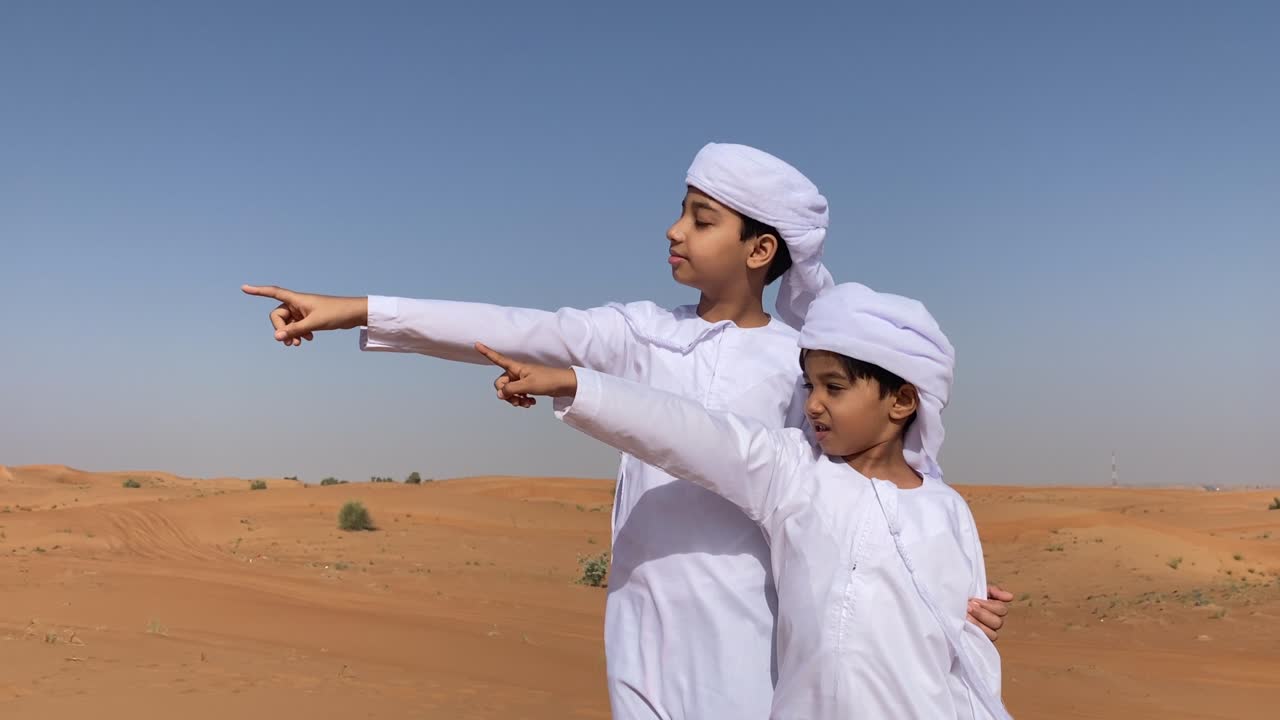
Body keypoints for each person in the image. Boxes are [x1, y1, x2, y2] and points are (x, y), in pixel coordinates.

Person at [243, 143, 1011, 718]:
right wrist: (359, 309)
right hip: (639, 620)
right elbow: (515, 326)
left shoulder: (798, 366)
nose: (674, 230)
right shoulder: (636, 335)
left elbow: (871, 488)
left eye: (700, 219)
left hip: (750, 632)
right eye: (681, 211)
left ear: (760, 249)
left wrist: (950, 591)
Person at [476, 281, 1013, 719]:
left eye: (835, 387)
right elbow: (685, 431)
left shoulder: (948, 512)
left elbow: (969, 658)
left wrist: (976, 616)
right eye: (809, 386)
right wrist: (576, 383)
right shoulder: (792, 473)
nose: (815, 405)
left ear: (901, 400)